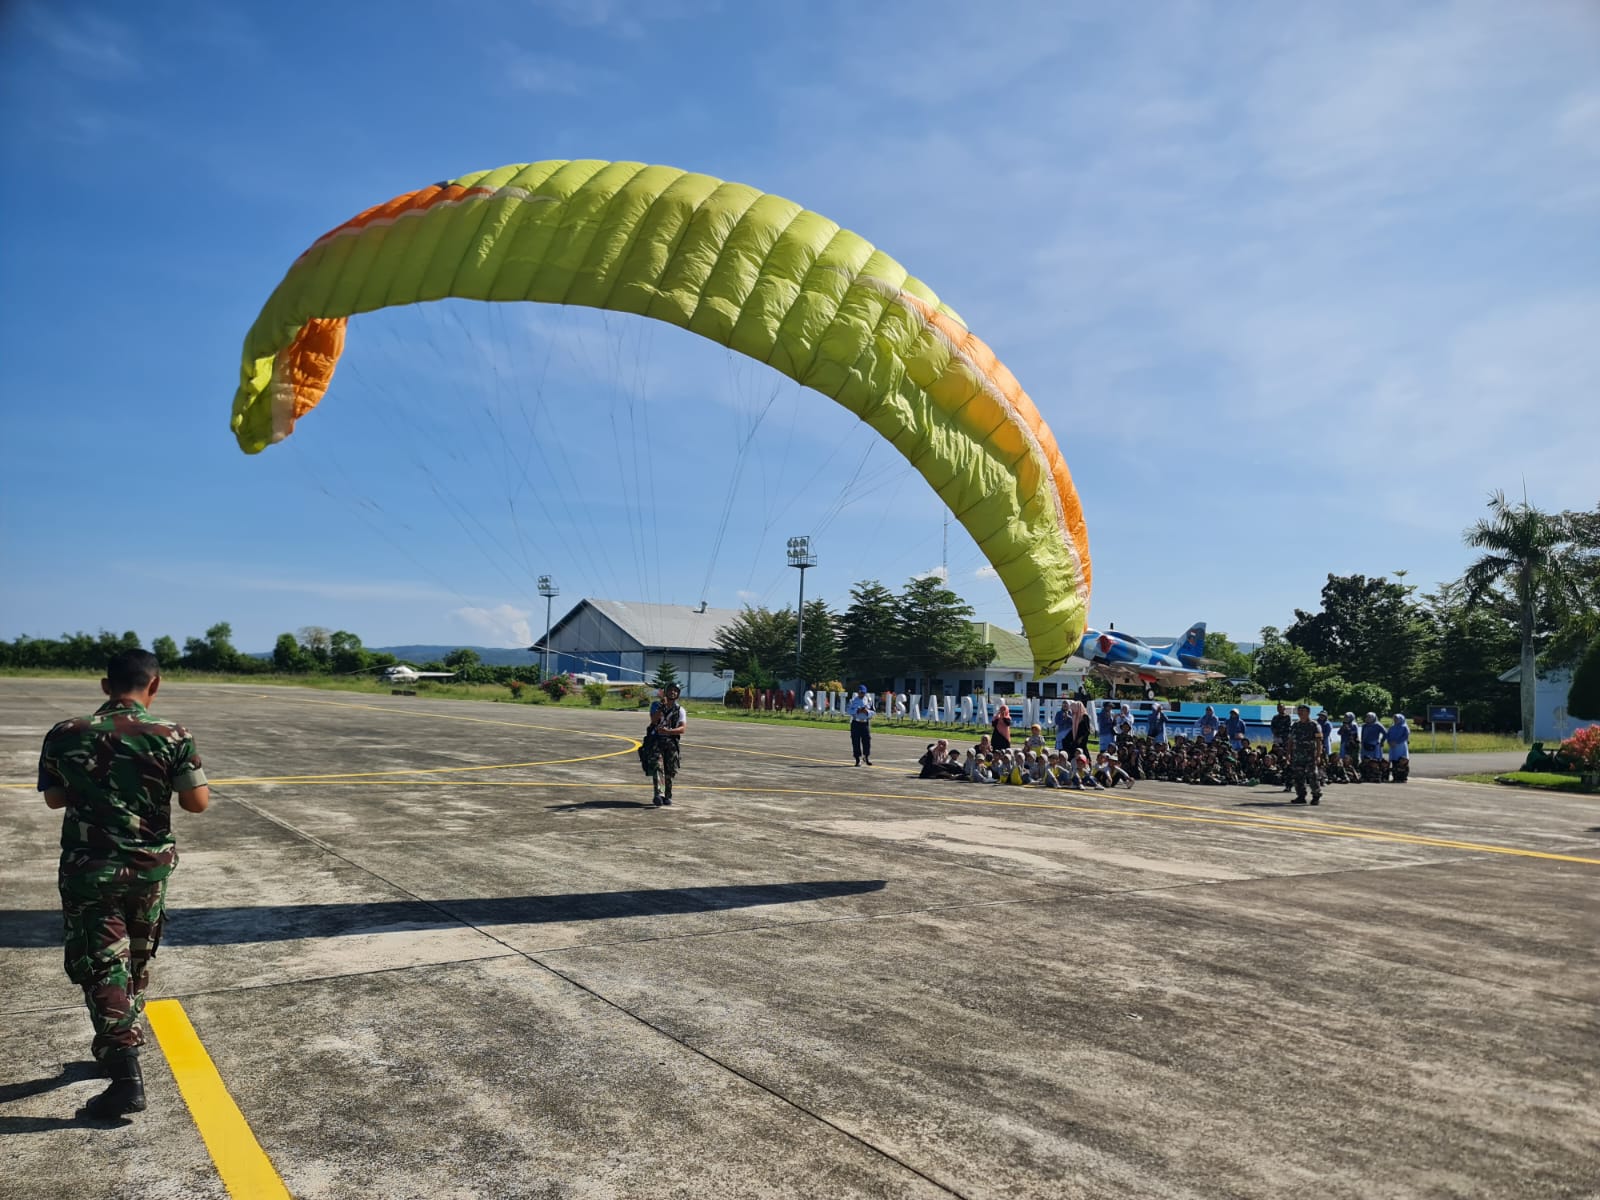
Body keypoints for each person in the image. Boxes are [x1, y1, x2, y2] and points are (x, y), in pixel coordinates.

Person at [37, 649, 210, 1118]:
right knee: (133, 958)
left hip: (89, 869)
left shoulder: (65, 733)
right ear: (154, 685)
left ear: (104, 685)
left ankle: (124, 1072)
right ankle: (118, 1042)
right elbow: (197, 802)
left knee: (100, 964)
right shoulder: (173, 735)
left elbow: (54, 798)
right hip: (148, 869)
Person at [649, 684, 686, 805]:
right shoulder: (656, 706)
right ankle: (658, 794)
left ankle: (667, 795)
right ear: (666, 692)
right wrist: (661, 707)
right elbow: (654, 721)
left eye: (675, 691)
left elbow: (682, 729)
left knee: (670, 769)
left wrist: (669, 731)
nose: (673, 692)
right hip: (657, 741)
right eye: (670, 690)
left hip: (672, 743)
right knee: (657, 767)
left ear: (678, 694)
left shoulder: (680, 710)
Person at [1287, 703, 1325, 804]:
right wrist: (1288, 754)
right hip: (1297, 756)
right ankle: (1301, 796)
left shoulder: (1314, 725)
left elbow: (1319, 742)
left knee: (1313, 776)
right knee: (1298, 777)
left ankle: (1316, 796)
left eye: (1303, 711)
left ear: (1308, 712)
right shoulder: (1295, 725)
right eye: (1299, 711)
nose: (1300, 713)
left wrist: (1318, 756)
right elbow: (1290, 740)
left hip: (1310, 756)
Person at [846, 684, 875, 766]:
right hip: (856, 722)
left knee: (867, 740)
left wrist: (867, 712)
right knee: (855, 741)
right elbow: (848, 710)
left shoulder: (869, 701)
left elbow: (874, 712)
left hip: (865, 723)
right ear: (858, 692)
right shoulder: (853, 700)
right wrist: (856, 711)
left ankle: (866, 756)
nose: (861, 694)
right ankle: (857, 759)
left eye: (863, 693)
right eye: (860, 692)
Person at [1385, 714, 1411, 782]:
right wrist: (1389, 742)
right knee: (1394, 761)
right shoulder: (1392, 727)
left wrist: (1397, 742)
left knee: (1402, 761)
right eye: (1394, 719)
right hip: (1393, 747)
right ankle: (1395, 777)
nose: (1395, 720)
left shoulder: (1404, 727)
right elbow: (1388, 735)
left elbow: (1405, 736)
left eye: (1397, 719)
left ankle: (1403, 777)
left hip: (1401, 746)